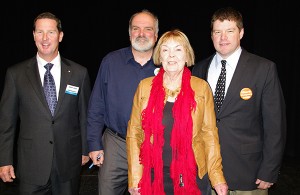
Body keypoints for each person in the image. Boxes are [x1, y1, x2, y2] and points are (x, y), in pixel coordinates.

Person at [192, 7, 287, 195]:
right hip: (205, 174)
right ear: (211, 35)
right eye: (217, 32)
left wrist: (270, 169)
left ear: (241, 33)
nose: (223, 38)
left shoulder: (263, 69)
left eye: (230, 31)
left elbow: (275, 124)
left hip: (248, 174)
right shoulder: (198, 70)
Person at [126, 29, 228, 195]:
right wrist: (135, 178)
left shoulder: (201, 88)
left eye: (178, 49)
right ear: (160, 56)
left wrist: (217, 177)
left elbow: (209, 135)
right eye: (165, 50)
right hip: (152, 176)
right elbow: (134, 134)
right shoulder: (144, 87)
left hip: (191, 176)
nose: (171, 55)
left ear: (187, 56)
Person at [0, 12, 91, 194]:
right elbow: (6, 122)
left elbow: (85, 116)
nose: (45, 38)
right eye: (40, 32)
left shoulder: (79, 73)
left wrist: (86, 149)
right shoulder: (15, 74)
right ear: (33, 35)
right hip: (30, 165)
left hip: (68, 161)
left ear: (60, 35)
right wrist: (4, 160)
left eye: (50, 32)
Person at [87, 9, 159, 195]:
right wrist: (94, 144)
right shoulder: (111, 62)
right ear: (129, 34)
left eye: (148, 29)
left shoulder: (166, 65)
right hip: (115, 144)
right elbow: (97, 106)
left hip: (153, 146)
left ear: (156, 34)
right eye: (136, 28)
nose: (141, 33)